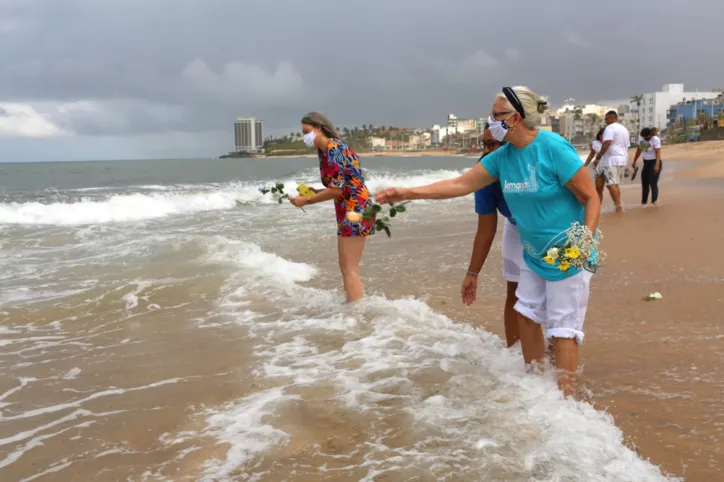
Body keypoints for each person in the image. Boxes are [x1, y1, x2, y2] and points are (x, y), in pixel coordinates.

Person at [376, 86, 601, 396]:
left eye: (496, 115)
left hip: (570, 248)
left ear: (516, 118)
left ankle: (565, 401)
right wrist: (407, 193)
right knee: (525, 314)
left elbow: (591, 196)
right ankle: (537, 389)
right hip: (535, 253)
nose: (491, 120)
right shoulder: (502, 158)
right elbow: (460, 184)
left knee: (563, 327)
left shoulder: (552, 148)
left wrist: (586, 238)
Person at [290, 111, 375, 302]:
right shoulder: (327, 151)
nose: (305, 137)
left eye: (307, 131)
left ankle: (357, 314)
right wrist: (315, 191)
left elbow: (338, 190)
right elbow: (341, 186)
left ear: (319, 128)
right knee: (346, 267)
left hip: (356, 209)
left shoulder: (334, 149)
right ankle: (353, 309)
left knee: (349, 268)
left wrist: (307, 201)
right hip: (351, 207)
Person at [463, 125, 523, 348]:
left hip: (551, 228)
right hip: (516, 227)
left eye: (494, 143)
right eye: (485, 144)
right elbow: (486, 230)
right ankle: (515, 352)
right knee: (515, 292)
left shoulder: (528, 165)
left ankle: (556, 355)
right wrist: (472, 273)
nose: (488, 150)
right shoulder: (485, 175)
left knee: (551, 295)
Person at [594, 111, 631, 213]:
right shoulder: (624, 129)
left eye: (606, 119)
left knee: (611, 184)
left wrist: (598, 157)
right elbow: (626, 146)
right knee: (613, 184)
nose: (605, 121)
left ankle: (619, 206)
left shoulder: (610, 128)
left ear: (611, 118)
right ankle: (614, 205)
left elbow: (607, 143)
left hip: (611, 160)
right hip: (621, 159)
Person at [632, 127, 663, 207]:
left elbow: (658, 153)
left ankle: (654, 202)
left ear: (651, 135)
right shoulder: (641, 138)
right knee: (645, 183)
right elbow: (639, 150)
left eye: (647, 137)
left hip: (654, 161)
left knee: (653, 183)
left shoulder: (655, 139)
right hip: (646, 162)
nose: (646, 139)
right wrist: (634, 161)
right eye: (644, 137)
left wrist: (657, 165)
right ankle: (644, 203)